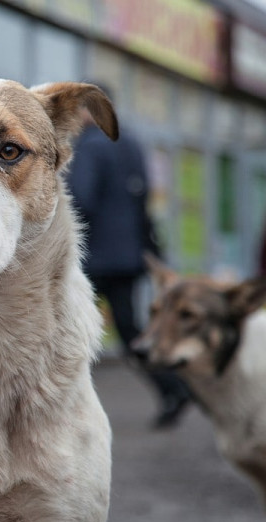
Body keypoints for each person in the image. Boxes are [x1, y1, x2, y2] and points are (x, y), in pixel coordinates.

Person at [67, 83, 195, 429]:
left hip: (96, 257)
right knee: (127, 327)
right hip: (128, 256)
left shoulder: (91, 146)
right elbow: (142, 201)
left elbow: (81, 200)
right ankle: (172, 386)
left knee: (67, 325)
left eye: (78, 109)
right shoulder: (132, 143)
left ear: (88, 110)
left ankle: (62, 407)